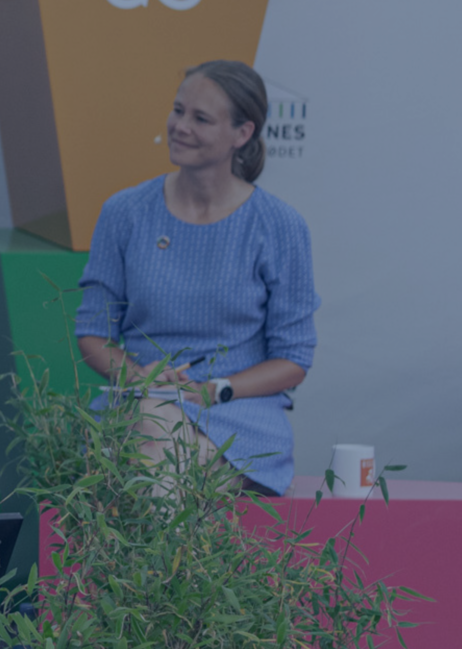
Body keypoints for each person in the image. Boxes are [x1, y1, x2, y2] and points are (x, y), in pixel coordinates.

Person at [74, 60, 317, 494]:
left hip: (238, 414)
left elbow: (293, 359)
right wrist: (141, 377)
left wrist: (214, 389)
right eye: (178, 110)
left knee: (160, 456)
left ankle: (152, 537)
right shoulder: (125, 212)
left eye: (201, 118)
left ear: (242, 134)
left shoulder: (279, 226)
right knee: (156, 429)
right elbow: (93, 333)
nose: (180, 126)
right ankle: (168, 538)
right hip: (138, 404)